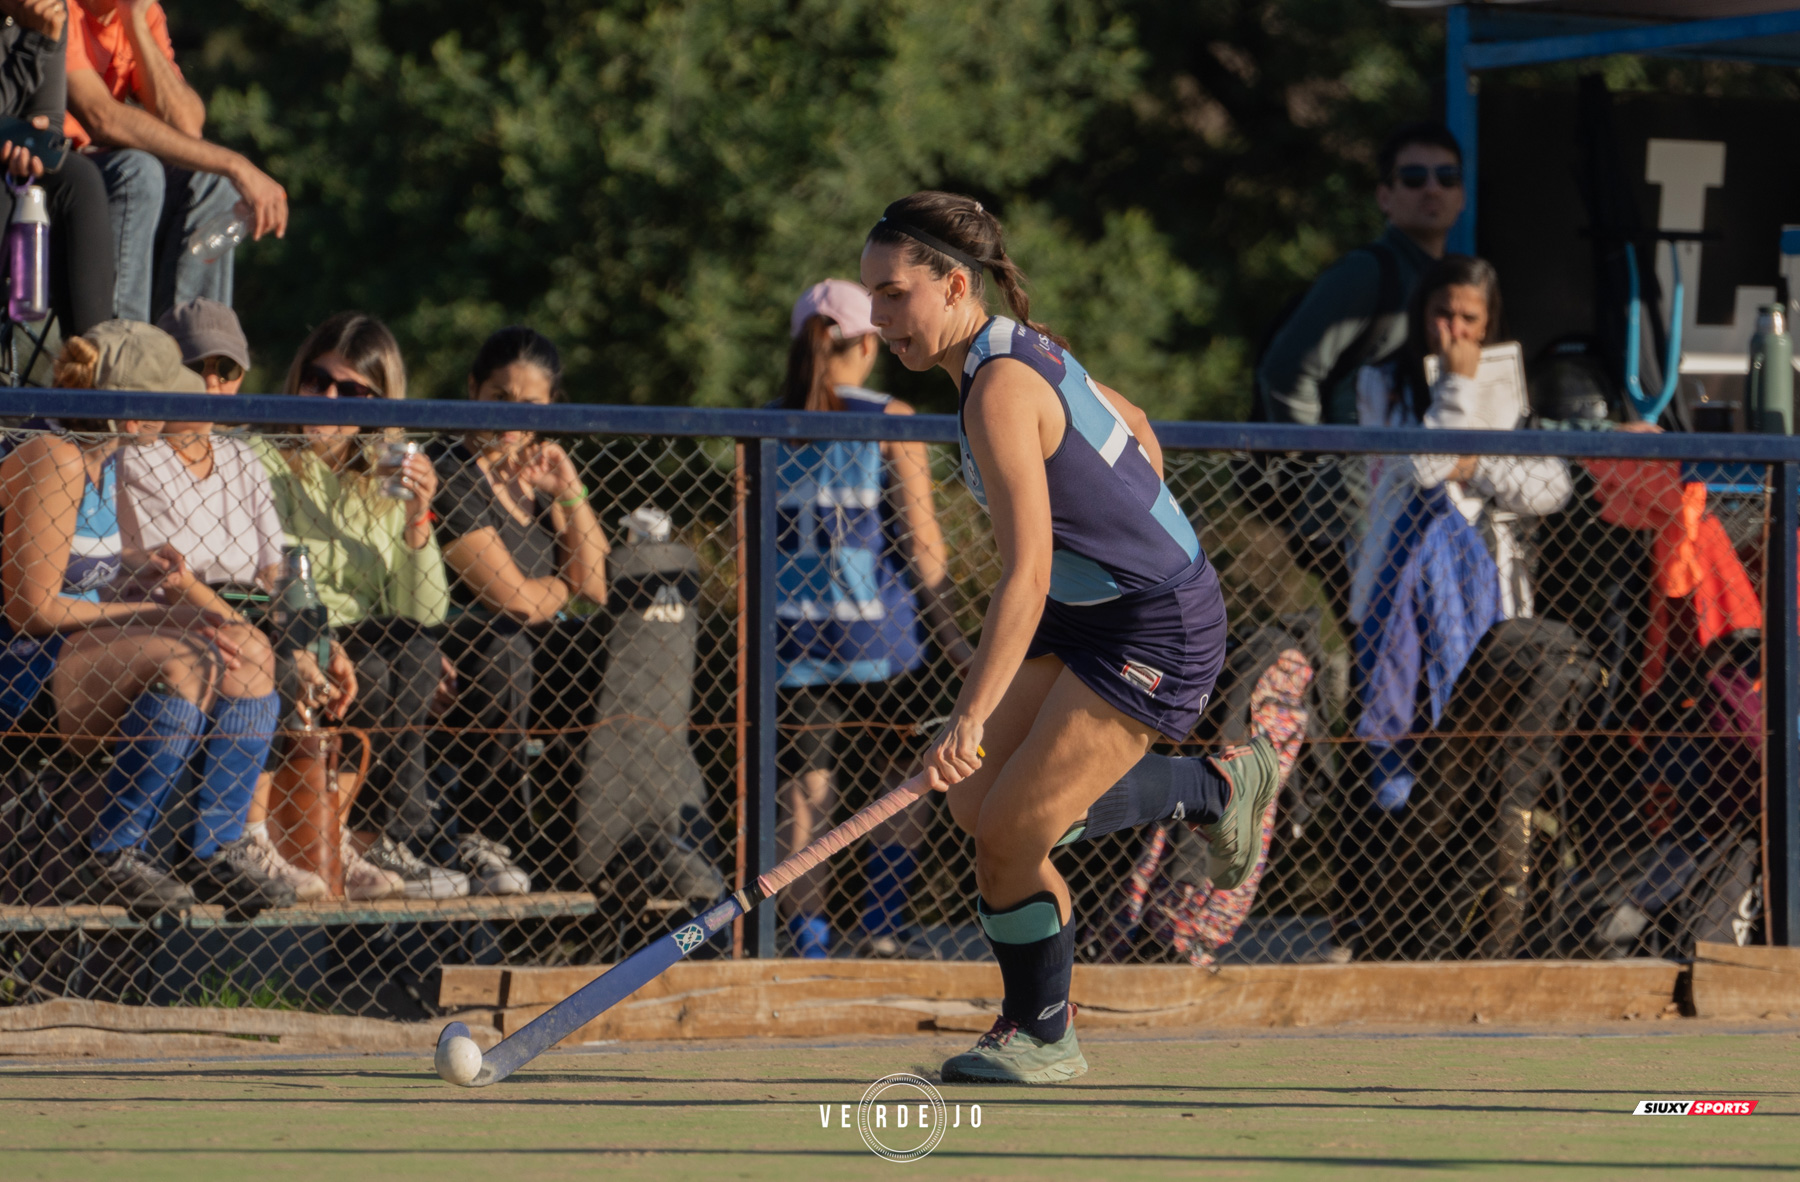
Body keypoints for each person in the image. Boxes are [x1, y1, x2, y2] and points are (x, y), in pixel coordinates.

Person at [859, 193, 1279, 1083]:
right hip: (1089, 609)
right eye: (872, 296)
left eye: (894, 294)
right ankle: (1208, 787)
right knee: (979, 810)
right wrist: (1124, 512)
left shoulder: (1000, 386)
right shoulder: (1016, 349)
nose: (878, 317)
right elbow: (1134, 432)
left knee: (1010, 832)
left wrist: (966, 718)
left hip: (1153, 624)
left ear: (955, 284)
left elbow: (1028, 574)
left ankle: (1041, 1033)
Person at [0, 319, 287, 914]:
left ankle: (215, 846)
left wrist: (134, 564)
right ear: (134, 415)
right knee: (186, 656)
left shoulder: (100, 460)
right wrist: (142, 608)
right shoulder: (53, 455)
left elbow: (76, 561)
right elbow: (32, 607)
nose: (185, 404)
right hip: (21, 671)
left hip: (70, 654)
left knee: (248, 651)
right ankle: (111, 850)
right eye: (168, 395)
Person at [117, 298, 397, 902]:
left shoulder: (240, 455)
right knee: (263, 654)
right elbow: (173, 575)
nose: (213, 385)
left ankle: (328, 836)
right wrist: (285, 645)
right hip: (180, 609)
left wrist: (321, 643)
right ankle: (244, 836)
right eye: (198, 368)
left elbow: (279, 571)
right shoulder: (140, 454)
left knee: (349, 666)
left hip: (250, 608)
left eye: (228, 370)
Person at [770, 279, 971, 958]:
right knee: (902, 787)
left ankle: (809, 945)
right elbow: (921, 543)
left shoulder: (766, 424)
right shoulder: (893, 416)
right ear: (864, 345)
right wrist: (953, 639)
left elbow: (748, 549)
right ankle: (880, 930)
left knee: (804, 800)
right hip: (884, 640)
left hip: (793, 641)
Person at [252, 312, 467, 899]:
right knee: (380, 668)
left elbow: (424, 614)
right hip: (294, 627)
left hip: (376, 634)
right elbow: (275, 573)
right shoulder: (264, 459)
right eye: (317, 380)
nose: (328, 398)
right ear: (297, 379)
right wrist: (324, 636)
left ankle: (366, 842)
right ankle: (357, 841)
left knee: (418, 654)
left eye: (351, 391)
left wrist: (419, 519)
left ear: (378, 401)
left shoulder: (383, 478)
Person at [1252, 120, 1467, 631]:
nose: (1431, 187)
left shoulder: (1441, 278)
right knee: (1384, 643)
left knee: (1410, 648)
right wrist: (1315, 465)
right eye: (1413, 177)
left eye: (1446, 176)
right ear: (1385, 196)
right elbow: (1286, 372)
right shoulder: (1369, 270)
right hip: (1351, 502)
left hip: (1409, 492)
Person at [429, 326, 607, 895]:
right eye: (499, 399)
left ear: (552, 407)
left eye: (530, 405)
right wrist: (564, 583)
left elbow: (599, 587)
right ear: (473, 390)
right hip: (465, 656)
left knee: (611, 641)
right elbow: (513, 599)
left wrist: (569, 489)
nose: (512, 416)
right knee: (506, 642)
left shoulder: (538, 474)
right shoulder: (449, 472)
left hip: (541, 656)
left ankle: (594, 834)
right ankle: (484, 835)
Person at [63, 0, 288, 323]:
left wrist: (136, 24)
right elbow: (101, 116)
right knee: (139, 172)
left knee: (210, 183)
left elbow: (186, 124)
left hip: (99, 170)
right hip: (49, 165)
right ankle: (125, 354)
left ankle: (195, 356)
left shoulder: (141, 12)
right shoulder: (60, 7)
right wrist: (235, 163)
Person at [0, 0, 115, 336]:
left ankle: (91, 358)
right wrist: (38, 42)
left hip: (13, 163)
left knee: (80, 178)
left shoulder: (50, 12)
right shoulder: (39, 24)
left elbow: (49, 118)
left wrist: (32, 140)